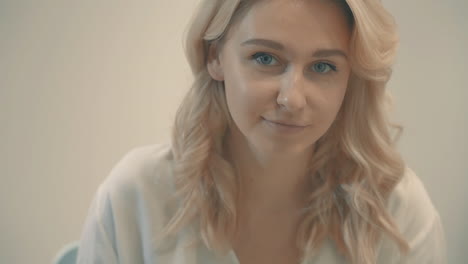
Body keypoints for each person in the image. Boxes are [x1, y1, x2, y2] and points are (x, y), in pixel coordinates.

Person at [76, 0, 447, 263]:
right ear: (215, 56)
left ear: (351, 77)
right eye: (266, 59)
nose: (292, 98)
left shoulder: (396, 212)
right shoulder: (136, 197)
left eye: (323, 67)